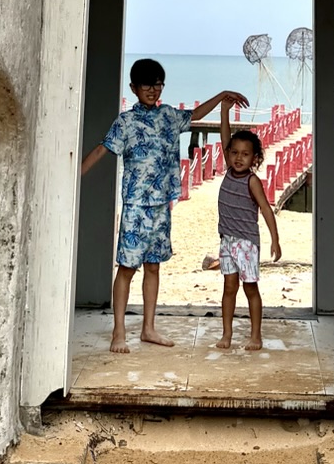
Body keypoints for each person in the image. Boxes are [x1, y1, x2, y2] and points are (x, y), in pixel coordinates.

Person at [80, 60, 247, 353]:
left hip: (161, 206)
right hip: (136, 206)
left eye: (158, 84)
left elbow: (194, 115)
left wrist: (221, 97)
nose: (153, 90)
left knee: (153, 267)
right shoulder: (127, 122)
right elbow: (102, 148)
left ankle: (148, 328)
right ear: (133, 88)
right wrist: (74, 176)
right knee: (127, 268)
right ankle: (118, 332)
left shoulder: (169, 116)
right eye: (146, 84)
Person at [215, 103, 282, 352]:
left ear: (254, 158)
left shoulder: (252, 181)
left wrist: (275, 240)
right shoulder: (228, 171)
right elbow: (225, 135)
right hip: (226, 241)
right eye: (234, 153)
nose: (238, 158)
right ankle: (227, 334)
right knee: (228, 288)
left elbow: (266, 209)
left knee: (250, 288)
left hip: (246, 243)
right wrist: (224, 112)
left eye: (245, 154)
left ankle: (256, 335)